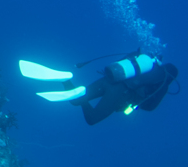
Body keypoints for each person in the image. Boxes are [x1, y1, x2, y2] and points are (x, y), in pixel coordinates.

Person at [19, 53, 179, 126]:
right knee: (92, 118)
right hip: (121, 93)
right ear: (171, 78)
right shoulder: (163, 83)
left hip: (111, 79)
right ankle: (78, 92)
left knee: (74, 100)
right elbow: (150, 107)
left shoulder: (148, 64)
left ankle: (66, 79)